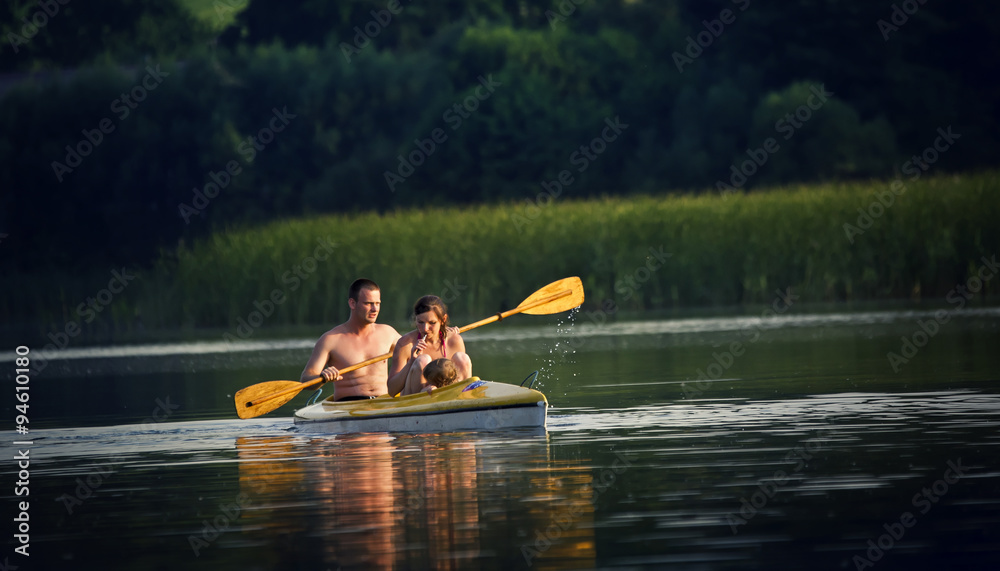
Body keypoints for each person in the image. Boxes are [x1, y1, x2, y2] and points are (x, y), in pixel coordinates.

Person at [300, 278, 400, 401]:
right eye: (368, 303)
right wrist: (322, 377)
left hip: (383, 402)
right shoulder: (330, 339)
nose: (375, 309)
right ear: (352, 303)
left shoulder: (388, 333)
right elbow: (306, 379)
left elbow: (416, 353)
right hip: (348, 404)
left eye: (377, 303)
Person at [387, 295, 472, 396]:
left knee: (462, 358)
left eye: (432, 323)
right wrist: (411, 362)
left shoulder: (454, 340)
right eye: (420, 322)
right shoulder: (405, 343)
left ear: (443, 319)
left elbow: (457, 378)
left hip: (446, 397)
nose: (425, 328)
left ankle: (465, 397)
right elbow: (392, 391)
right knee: (423, 360)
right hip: (414, 399)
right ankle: (423, 395)